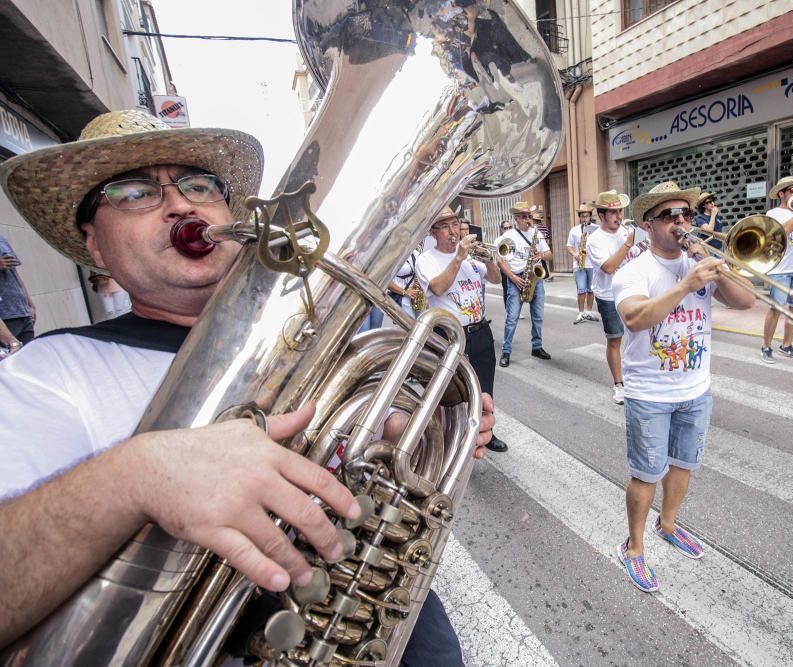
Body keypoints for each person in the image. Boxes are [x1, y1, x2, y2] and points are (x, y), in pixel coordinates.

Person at [0, 110, 494, 663]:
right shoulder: (48, 372)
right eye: (135, 193)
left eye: (198, 185)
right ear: (95, 245)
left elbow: (369, 452)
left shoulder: (306, 332)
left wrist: (410, 430)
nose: (180, 204)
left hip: (380, 622)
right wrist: (138, 475)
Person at [613, 181, 755, 593]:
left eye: (686, 214)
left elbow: (745, 303)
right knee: (646, 474)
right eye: (669, 216)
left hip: (696, 389)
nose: (681, 222)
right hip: (650, 394)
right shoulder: (634, 271)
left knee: (684, 465)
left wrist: (713, 264)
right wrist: (685, 285)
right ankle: (634, 546)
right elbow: (637, 318)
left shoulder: (700, 261)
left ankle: (669, 523)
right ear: (648, 225)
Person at [417, 207, 507, 453]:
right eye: (445, 226)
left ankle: (486, 432)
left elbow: (496, 279)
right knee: (453, 392)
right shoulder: (426, 260)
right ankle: (450, 438)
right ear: (433, 232)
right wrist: (458, 258)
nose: (453, 231)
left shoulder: (470, 258)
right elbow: (437, 288)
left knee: (485, 387)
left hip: (480, 332)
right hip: (451, 336)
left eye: (455, 224)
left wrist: (490, 261)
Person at [586, 190, 634, 405]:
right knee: (615, 339)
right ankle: (619, 384)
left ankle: (636, 378)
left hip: (632, 291)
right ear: (602, 215)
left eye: (620, 211)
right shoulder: (594, 240)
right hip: (608, 295)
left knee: (639, 336)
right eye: (613, 212)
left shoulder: (627, 231)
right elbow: (608, 267)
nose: (618, 216)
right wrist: (628, 244)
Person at [760, 175, 793, 363]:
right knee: (776, 309)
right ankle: (766, 346)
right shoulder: (774, 213)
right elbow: (786, 230)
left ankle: (787, 345)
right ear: (782, 193)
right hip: (780, 270)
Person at [497, 201, 552, 367]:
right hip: (517, 279)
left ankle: (537, 346)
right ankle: (506, 351)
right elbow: (501, 261)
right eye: (524, 217)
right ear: (516, 219)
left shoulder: (536, 233)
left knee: (538, 317)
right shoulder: (509, 237)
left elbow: (549, 255)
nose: (528, 220)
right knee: (512, 318)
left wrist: (540, 255)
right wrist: (513, 278)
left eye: (529, 216)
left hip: (535, 278)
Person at [0, 233, 35, 351]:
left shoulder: (1, 239)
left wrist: (30, 304)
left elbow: (15, 274)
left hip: (22, 312)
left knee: (30, 361)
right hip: (4, 318)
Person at [566, 202, 599, 324]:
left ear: (590, 216)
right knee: (581, 290)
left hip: (593, 264)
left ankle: (589, 312)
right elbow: (569, 246)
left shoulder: (596, 229)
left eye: (586, 216)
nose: (584, 218)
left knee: (591, 290)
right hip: (579, 264)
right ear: (579, 217)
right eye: (582, 216)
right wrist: (575, 254)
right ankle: (580, 313)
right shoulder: (574, 230)